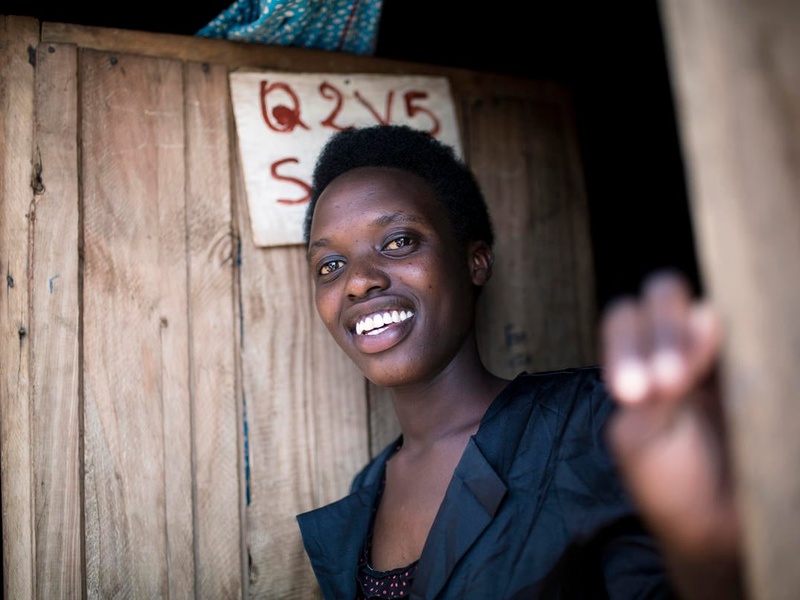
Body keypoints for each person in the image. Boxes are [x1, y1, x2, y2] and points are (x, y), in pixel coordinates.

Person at [296, 124, 742, 599]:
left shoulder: (593, 424)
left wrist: (704, 551)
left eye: (399, 241)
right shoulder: (368, 490)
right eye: (331, 265)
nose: (358, 282)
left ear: (475, 262)